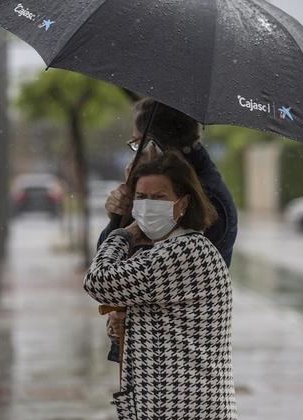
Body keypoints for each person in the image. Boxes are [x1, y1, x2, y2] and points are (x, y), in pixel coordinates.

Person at [84, 152, 240, 420]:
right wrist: (123, 325)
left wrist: (124, 233)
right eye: (141, 197)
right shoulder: (162, 252)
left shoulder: (186, 252)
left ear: (182, 203)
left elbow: (98, 281)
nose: (148, 205)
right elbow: (159, 321)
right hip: (160, 414)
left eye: (159, 197)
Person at [98, 98, 238, 362]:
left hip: (175, 359)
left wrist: (124, 228)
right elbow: (116, 269)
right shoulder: (161, 187)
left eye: (137, 143)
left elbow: (112, 278)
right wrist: (117, 215)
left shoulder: (203, 200)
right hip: (152, 353)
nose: (135, 151)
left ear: (155, 143)